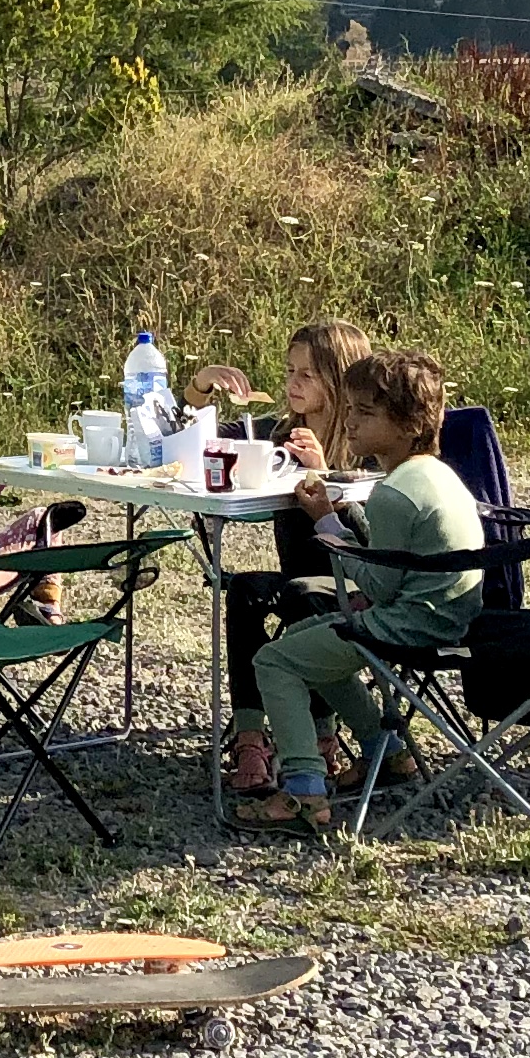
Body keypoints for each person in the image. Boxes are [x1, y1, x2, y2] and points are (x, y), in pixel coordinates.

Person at [245, 349, 483, 836]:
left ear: (411, 425)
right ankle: (388, 754)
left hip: (411, 626)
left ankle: (304, 792)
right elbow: (394, 577)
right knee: (311, 635)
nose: (350, 421)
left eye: (366, 413)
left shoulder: (394, 493)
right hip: (445, 614)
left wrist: (328, 524)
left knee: (274, 660)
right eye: (350, 408)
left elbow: (377, 583)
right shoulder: (438, 474)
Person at [192, 319, 374, 796]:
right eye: (290, 370)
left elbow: (371, 540)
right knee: (246, 591)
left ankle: (322, 732)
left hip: (357, 582)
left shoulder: (370, 446)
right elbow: (195, 436)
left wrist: (328, 477)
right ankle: (251, 736)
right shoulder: (279, 433)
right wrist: (201, 385)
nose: (292, 383)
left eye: (307, 375)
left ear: (339, 379)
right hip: (299, 576)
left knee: (300, 599)